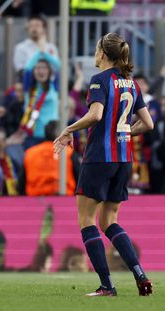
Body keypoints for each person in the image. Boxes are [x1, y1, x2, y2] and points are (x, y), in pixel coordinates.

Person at [54, 32, 154, 297]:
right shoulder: (131, 83)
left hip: (99, 157)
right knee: (109, 221)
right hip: (124, 160)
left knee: (87, 221)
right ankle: (140, 275)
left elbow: (96, 114)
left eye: (97, 49)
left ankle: (107, 286)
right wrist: (123, 131)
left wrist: (68, 129)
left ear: (102, 54)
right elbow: (148, 123)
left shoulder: (100, 80)